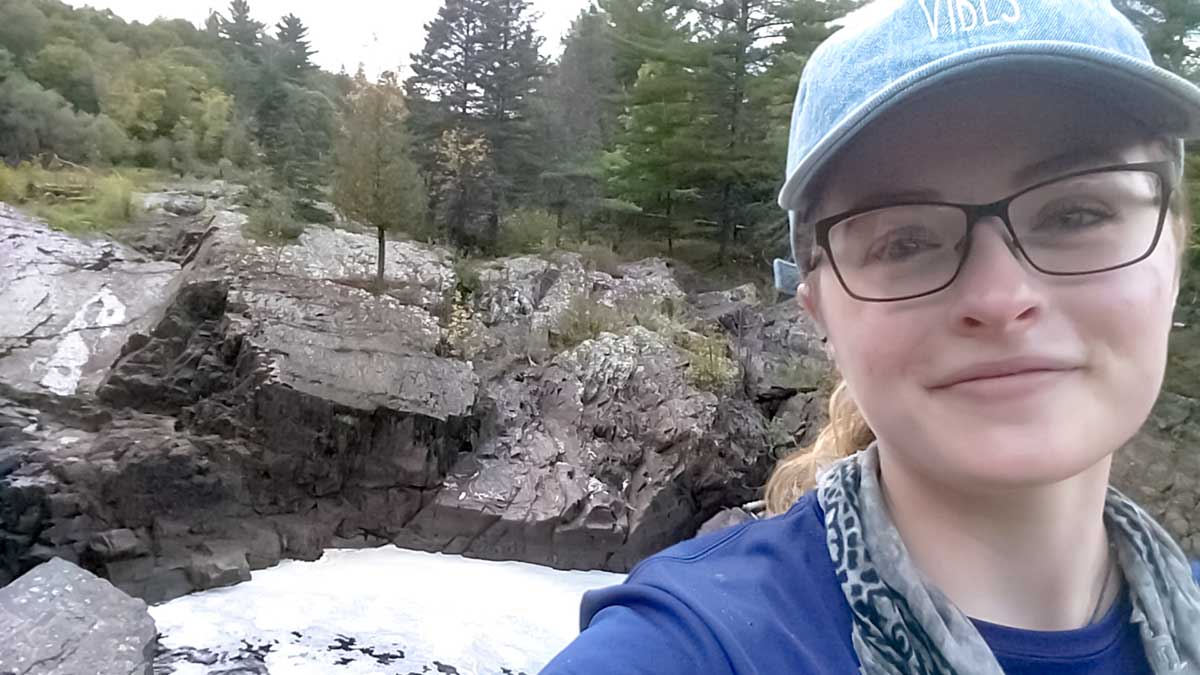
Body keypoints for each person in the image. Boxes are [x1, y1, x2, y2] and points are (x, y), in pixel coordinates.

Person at [540, 0, 1200, 673]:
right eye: (905, 239)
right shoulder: (695, 646)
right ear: (818, 311)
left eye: (1076, 213)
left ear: (1174, 253)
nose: (1002, 300)